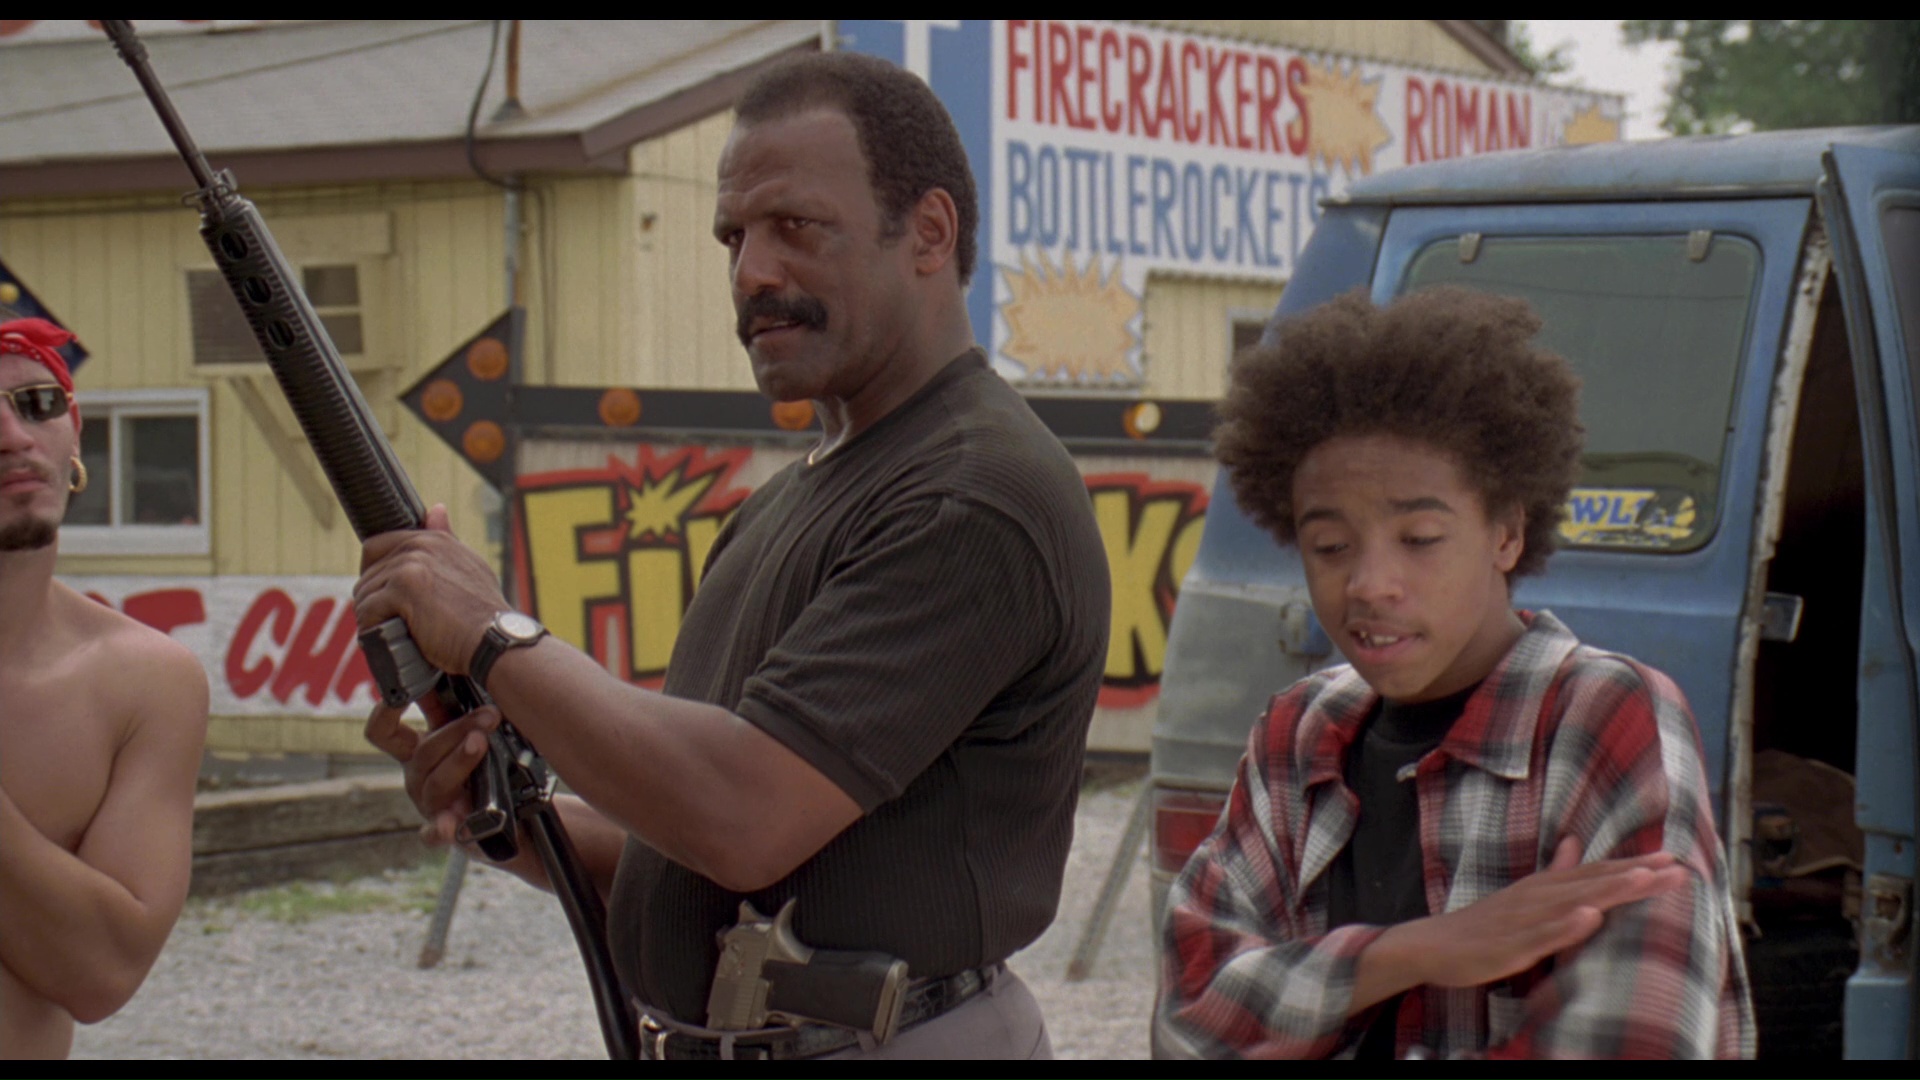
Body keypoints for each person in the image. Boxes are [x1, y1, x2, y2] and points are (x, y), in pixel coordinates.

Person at [353, 53, 1109, 1060]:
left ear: (930, 232)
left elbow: (742, 815)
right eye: (734, 237)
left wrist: (492, 636)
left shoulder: (973, 494)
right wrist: (506, 816)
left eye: (796, 225)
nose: (752, 271)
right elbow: (690, 857)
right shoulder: (791, 503)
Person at [1154, 288, 1755, 1059]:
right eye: (1330, 547)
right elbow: (1187, 1016)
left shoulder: (1604, 718)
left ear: (1506, 533)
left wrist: (1300, 1012)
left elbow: (1636, 1044)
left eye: (1420, 538)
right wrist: (1415, 951)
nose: (1369, 584)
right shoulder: (1298, 734)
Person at [0, 318, 210, 1060]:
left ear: (75, 430)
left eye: (37, 403)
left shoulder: (143, 683)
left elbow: (104, 973)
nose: (13, 438)